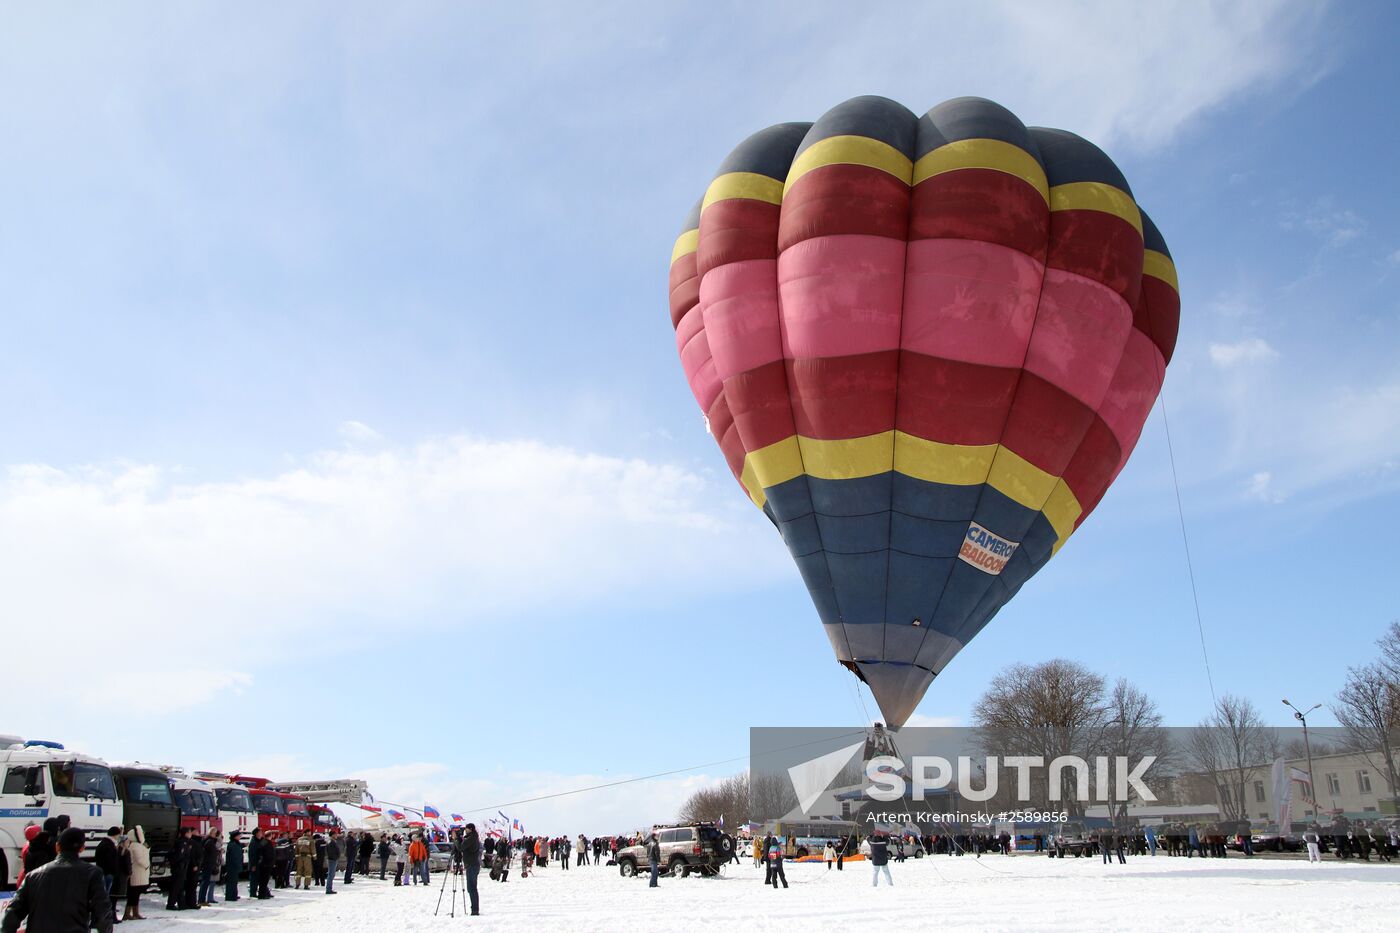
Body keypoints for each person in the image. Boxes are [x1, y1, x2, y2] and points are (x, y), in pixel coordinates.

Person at [1, 827, 113, 933]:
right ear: (82, 848)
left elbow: (13, 912)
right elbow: (102, 911)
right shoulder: (92, 874)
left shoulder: (33, 876)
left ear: (57, 847)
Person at [126, 825, 151, 921]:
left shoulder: (137, 845)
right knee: (133, 894)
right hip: (137, 872)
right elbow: (140, 859)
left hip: (139, 872)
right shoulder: (135, 846)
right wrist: (147, 865)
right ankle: (129, 913)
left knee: (135, 895)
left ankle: (134, 913)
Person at [166, 827, 191, 911]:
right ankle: (170, 904)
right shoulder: (182, 843)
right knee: (175, 886)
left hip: (182, 867)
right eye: (189, 832)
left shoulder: (184, 842)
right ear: (186, 833)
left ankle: (181, 903)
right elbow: (179, 855)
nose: (190, 834)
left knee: (180, 886)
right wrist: (180, 863)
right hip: (179, 867)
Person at [462, 823, 481, 916]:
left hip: (472, 865)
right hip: (472, 865)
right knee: (472, 888)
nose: (465, 830)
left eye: (466, 828)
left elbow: (461, 847)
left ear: (470, 829)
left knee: (472, 888)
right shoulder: (472, 837)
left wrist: (457, 840)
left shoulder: (472, 838)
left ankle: (475, 910)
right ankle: (474, 909)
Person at [200, 832, 221, 904]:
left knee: (206, 882)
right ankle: (202, 900)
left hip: (210, 864)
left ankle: (203, 900)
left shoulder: (210, 841)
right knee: (205, 882)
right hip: (208, 864)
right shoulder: (209, 842)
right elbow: (209, 854)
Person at [225, 832, 245, 902]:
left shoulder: (236, 844)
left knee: (234, 881)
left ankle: (234, 895)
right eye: (239, 836)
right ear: (235, 837)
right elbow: (235, 856)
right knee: (231, 881)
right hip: (232, 866)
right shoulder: (233, 845)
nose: (240, 837)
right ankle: (230, 896)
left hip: (234, 866)